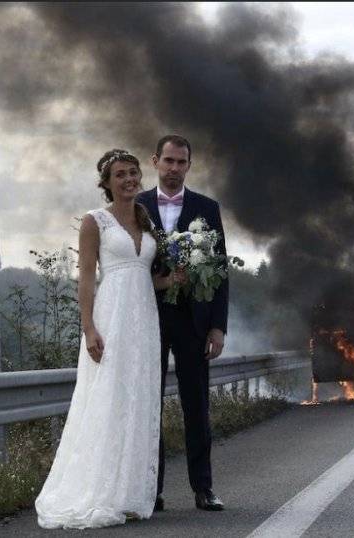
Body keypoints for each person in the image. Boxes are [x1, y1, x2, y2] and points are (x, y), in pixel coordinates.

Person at [35, 149, 180, 529]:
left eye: (133, 173)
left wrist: (175, 278)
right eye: (121, 175)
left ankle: (128, 493)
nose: (129, 179)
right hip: (111, 318)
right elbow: (86, 277)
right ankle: (98, 491)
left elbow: (142, 275)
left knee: (138, 400)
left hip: (144, 321)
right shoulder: (94, 221)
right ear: (107, 182)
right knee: (108, 397)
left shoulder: (145, 219)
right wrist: (89, 328)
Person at [136, 134, 229, 512]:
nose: (174, 168)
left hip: (194, 321)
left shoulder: (207, 208)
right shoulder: (136, 205)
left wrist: (218, 326)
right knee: (148, 405)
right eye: (168, 161)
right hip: (148, 316)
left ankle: (203, 488)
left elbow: (221, 270)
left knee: (197, 405)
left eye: (181, 162)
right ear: (155, 161)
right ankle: (150, 490)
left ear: (189, 165)